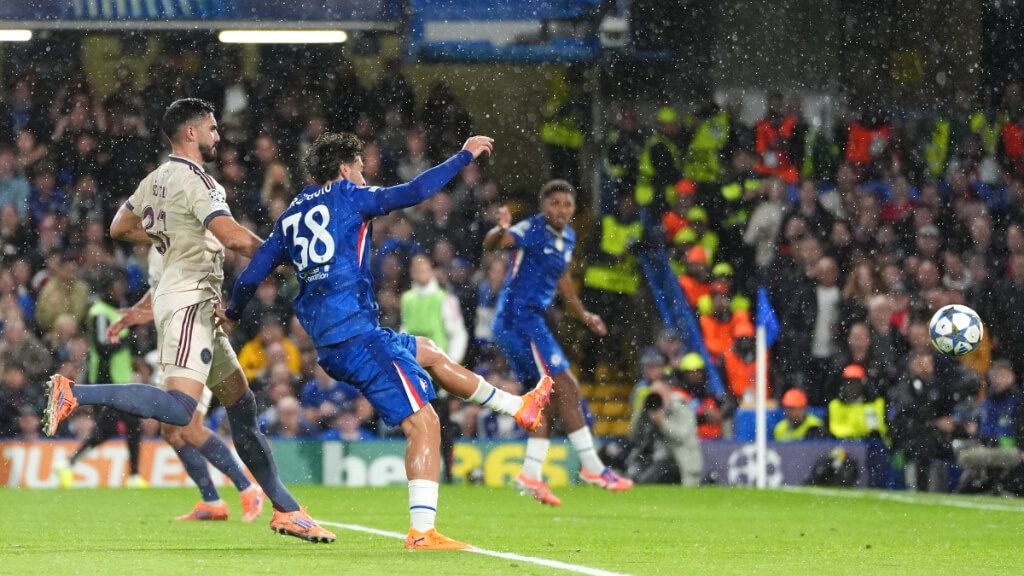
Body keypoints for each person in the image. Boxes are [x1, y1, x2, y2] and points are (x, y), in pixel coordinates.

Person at [223, 132, 552, 550]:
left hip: (336, 341)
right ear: (344, 168)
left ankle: (519, 407)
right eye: (359, 167)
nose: (363, 175)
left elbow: (253, 273)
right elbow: (415, 191)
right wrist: (462, 156)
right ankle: (422, 532)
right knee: (425, 423)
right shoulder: (348, 195)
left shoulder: (288, 217)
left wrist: (232, 312)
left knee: (429, 353)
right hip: (357, 337)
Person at [41, 98, 332, 542]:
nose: (218, 135)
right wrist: (285, 257)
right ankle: (73, 392)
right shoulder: (200, 181)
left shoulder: (157, 177)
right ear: (191, 133)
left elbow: (119, 225)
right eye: (213, 128)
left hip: (197, 304)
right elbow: (231, 236)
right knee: (179, 409)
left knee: (241, 403)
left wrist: (167, 234)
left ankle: (286, 508)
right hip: (188, 302)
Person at [485, 179, 634, 508]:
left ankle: (530, 474)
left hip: (528, 321)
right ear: (543, 207)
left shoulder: (567, 236)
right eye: (554, 203)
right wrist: (499, 230)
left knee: (546, 398)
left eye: (566, 204)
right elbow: (494, 244)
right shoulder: (532, 229)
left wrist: (582, 314)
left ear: (574, 209)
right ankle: (593, 467)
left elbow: (562, 276)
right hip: (518, 320)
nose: (561, 210)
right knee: (565, 385)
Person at [104, 247, 265, 522]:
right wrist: (141, 311)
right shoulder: (159, 244)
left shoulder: (180, 234)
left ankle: (248, 488)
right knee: (171, 431)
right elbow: (160, 288)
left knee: (189, 428)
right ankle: (212, 501)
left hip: (192, 341)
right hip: (171, 346)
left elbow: (190, 285)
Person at [55, 268, 147, 489]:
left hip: (122, 380)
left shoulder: (118, 311)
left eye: (122, 285)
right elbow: (101, 346)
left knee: (128, 426)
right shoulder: (99, 312)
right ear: (108, 287)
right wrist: (126, 340)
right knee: (116, 427)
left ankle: (132, 475)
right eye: (116, 285)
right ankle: (71, 463)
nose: (120, 289)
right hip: (106, 380)